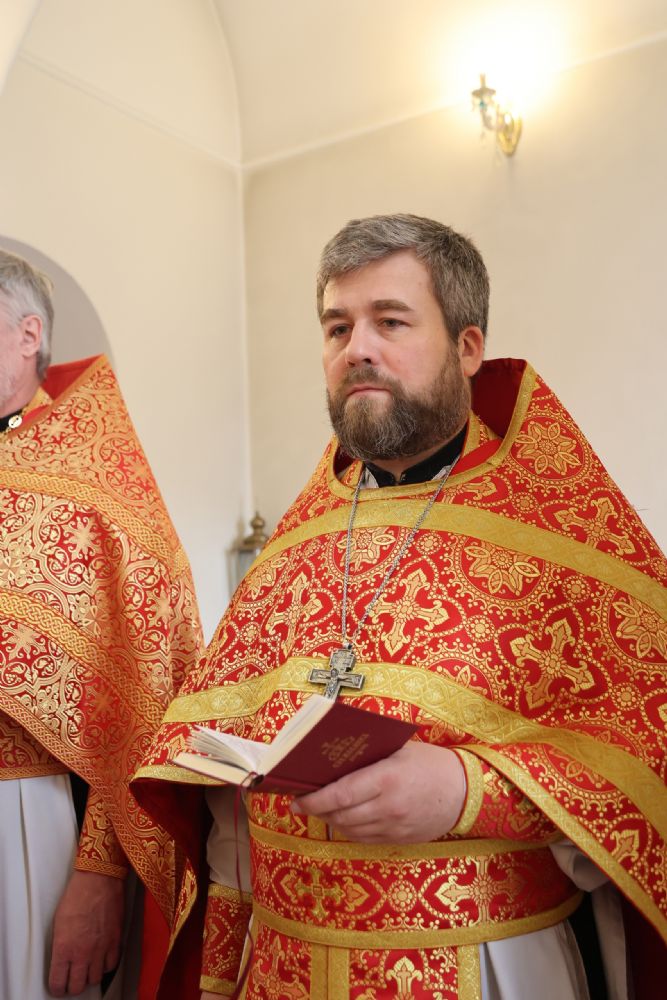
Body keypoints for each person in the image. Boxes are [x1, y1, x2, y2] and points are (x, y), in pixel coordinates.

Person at [133, 214, 666, 1000]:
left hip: (482, 964)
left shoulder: (567, 535)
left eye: (390, 321)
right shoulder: (296, 540)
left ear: (466, 346)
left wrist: (467, 791)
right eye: (336, 327)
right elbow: (217, 779)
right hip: (281, 966)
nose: (357, 348)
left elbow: (645, 755)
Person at [0, 248, 203, 999]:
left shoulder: (94, 474)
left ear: (28, 334)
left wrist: (98, 875)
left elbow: (145, 689)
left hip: (29, 820)